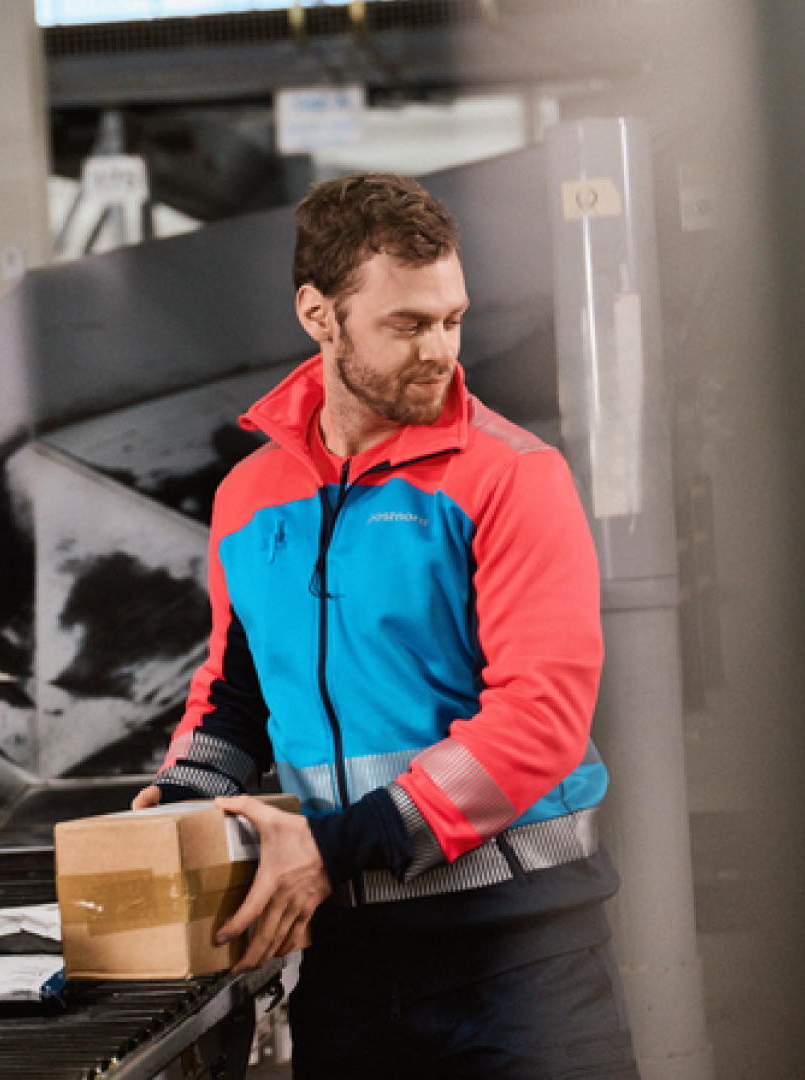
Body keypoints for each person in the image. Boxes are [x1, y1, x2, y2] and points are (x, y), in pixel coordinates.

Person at [131, 172, 638, 1079]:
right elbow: (237, 693)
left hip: (522, 969)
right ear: (318, 315)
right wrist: (178, 807)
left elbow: (539, 721)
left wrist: (334, 850)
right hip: (349, 976)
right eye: (407, 325)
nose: (439, 350)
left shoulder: (511, 477)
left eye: (452, 320)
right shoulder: (250, 498)